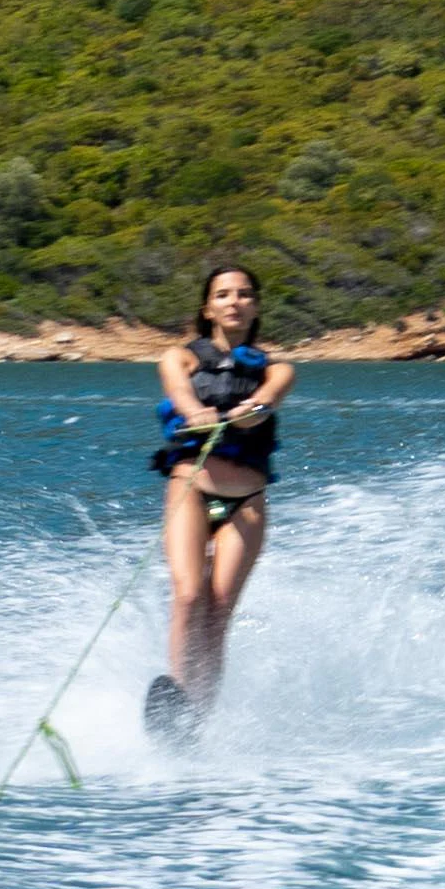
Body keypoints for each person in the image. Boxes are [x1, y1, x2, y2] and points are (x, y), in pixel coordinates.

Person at [142, 261, 289, 732]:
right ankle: (177, 699)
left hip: (245, 501)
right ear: (208, 307)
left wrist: (250, 410)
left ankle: (198, 717)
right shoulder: (178, 357)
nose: (235, 302)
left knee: (220, 607)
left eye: (245, 294)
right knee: (189, 595)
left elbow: (269, 399)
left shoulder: (278, 368)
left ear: (256, 305)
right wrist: (194, 412)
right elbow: (180, 394)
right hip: (192, 488)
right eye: (224, 294)